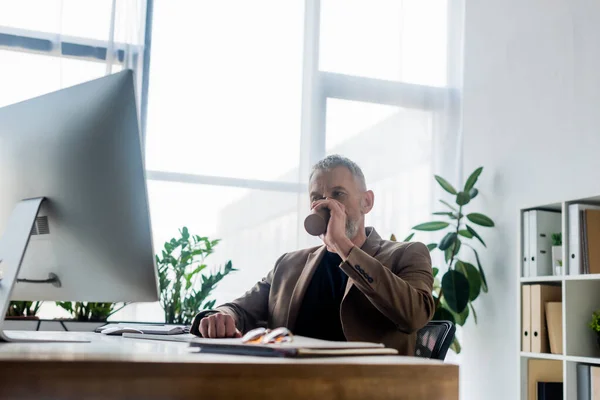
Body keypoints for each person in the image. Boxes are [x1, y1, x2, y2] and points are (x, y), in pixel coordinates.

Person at [190, 155, 434, 355]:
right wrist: (220, 317)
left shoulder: (407, 254)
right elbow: (240, 310)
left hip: (364, 388)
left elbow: (414, 315)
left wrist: (343, 246)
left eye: (338, 194)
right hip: (294, 387)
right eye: (317, 198)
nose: (326, 204)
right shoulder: (289, 264)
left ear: (366, 202)